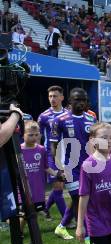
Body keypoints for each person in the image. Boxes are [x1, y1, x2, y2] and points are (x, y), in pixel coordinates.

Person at [51, 88, 97, 244]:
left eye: (83, 100)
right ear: (70, 101)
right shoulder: (60, 120)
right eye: (77, 100)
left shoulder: (91, 119)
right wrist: (59, 168)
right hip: (69, 167)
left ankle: (62, 225)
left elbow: (94, 142)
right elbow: (54, 145)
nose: (81, 103)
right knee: (79, 199)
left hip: (88, 166)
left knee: (81, 197)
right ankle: (87, 237)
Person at [21, 121, 62, 244]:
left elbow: (46, 167)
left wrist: (57, 174)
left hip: (38, 191)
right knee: (25, 216)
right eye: (31, 135)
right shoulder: (18, 150)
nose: (34, 137)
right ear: (23, 135)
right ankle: (19, 234)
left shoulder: (41, 149)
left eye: (36, 135)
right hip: (23, 191)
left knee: (33, 217)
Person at [37, 86, 68, 219]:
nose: (52, 99)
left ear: (62, 97)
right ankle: (67, 220)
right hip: (52, 154)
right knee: (58, 188)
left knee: (59, 186)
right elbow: (37, 135)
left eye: (55, 96)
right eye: (50, 96)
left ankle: (45, 209)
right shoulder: (44, 116)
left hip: (67, 155)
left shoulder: (68, 114)